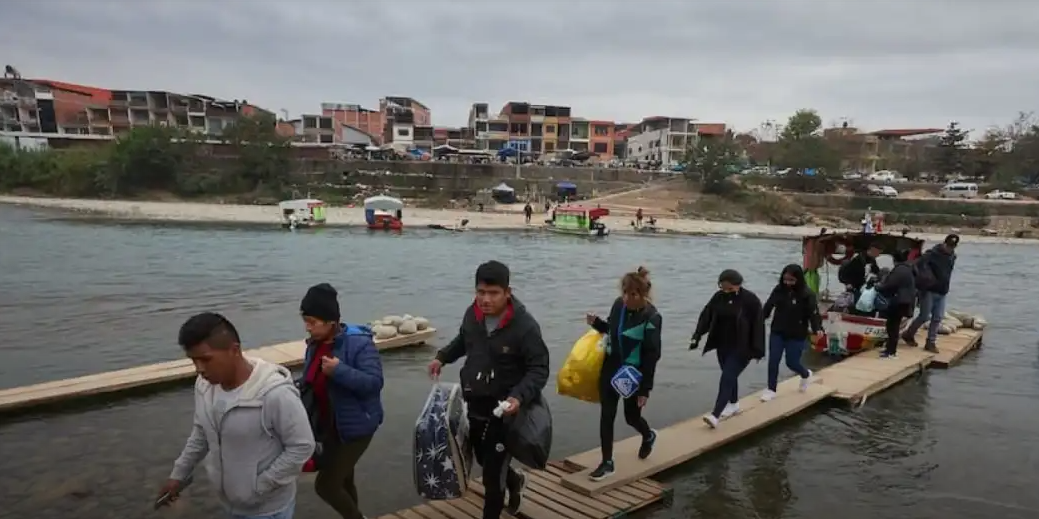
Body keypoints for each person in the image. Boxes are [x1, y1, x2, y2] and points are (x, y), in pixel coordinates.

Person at [427, 261, 550, 519]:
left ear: (507, 292)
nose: (485, 299)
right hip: (475, 402)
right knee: (483, 459)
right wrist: (442, 357)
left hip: (505, 410)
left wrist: (518, 397)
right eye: (480, 292)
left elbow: (539, 369)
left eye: (493, 293)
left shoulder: (525, 326)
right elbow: (464, 340)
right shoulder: (472, 314)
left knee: (491, 478)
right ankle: (516, 480)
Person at [161, 313, 314, 519]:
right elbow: (201, 433)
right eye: (193, 360)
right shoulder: (205, 386)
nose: (199, 369)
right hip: (229, 503)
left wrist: (259, 487)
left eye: (206, 359)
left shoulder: (275, 394)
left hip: (267, 511)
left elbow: (302, 446)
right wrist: (178, 474)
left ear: (234, 350)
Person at [299, 283, 384, 519]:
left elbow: (374, 383)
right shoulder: (313, 345)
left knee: (325, 485)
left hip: (356, 428)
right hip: (329, 427)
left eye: (313, 322)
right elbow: (310, 381)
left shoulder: (359, 344)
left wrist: (340, 371)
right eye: (305, 321)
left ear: (331, 321)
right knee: (344, 481)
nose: (308, 327)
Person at [584, 266, 661, 481]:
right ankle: (607, 463)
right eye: (624, 293)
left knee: (631, 417)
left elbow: (652, 355)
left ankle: (648, 435)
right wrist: (597, 323)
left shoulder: (652, 317)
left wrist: (645, 389)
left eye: (633, 294)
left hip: (632, 374)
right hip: (611, 367)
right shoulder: (619, 305)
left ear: (643, 295)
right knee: (606, 416)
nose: (627, 298)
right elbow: (612, 329)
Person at [689, 269, 765, 429]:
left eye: (730, 288)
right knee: (730, 376)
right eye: (722, 287)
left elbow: (758, 325)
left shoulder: (750, 300)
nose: (726, 291)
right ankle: (734, 404)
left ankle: (715, 415)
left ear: (738, 285)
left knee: (727, 378)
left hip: (742, 348)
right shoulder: (718, 297)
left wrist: (758, 349)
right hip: (722, 345)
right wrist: (697, 336)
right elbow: (706, 316)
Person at [760, 264, 823, 401]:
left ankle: (805, 374)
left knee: (791, 362)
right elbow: (768, 306)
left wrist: (817, 328)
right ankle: (771, 389)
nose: (787, 283)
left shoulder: (807, 294)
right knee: (773, 360)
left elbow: (813, 314)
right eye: (785, 280)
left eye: (791, 280)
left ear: (798, 279)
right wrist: (759, 319)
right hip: (778, 331)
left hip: (796, 333)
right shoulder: (779, 290)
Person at [900, 234, 959, 353]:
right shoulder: (931, 254)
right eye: (948, 246)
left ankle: (931, 342)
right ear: (944, 244)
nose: (950, 249)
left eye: (952, 247)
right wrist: (923, 280)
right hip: (928, 290)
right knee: (924, 316)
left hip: (942, 291)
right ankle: (909, 334)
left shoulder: (952, 256)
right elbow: (916, 265)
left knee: (938, 317)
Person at [877, 250, 917, 358]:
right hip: (906, 301)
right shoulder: (908, 269)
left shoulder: (899, 270)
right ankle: (890, 349)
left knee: (892, 326)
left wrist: (878, 287)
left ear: (894, 260)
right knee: (894, 326)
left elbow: (890, 285)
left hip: (897, 302)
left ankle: (890, 351)